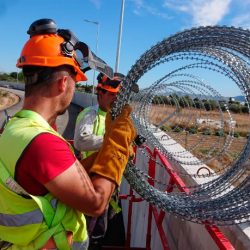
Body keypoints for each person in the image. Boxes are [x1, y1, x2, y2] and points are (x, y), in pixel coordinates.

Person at [0, 18, 136, 250]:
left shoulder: (15, 128)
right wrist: (118, 143)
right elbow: (96, 203)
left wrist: (99, 157)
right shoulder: (42, 143)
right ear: (64, 83)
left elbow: (58, 176)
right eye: (75, 82)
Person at [74, 73, 125, 249]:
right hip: (90, 180)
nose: (114, 99)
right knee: (90, 228)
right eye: (111, 94)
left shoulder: (117, 118)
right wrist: (110, 141)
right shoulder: (91, 114)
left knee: (105, 228)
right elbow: (81, 141)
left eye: (117, 96)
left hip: (109, 180)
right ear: (100, 93)